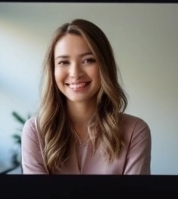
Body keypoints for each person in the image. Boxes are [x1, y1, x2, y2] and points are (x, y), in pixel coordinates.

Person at [22, 19, 151, 174]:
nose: (75, 73)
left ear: (104, 65)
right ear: (53, 70)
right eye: (64, 62)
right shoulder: (35, 132)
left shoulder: (135, 131)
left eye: (88, 60)